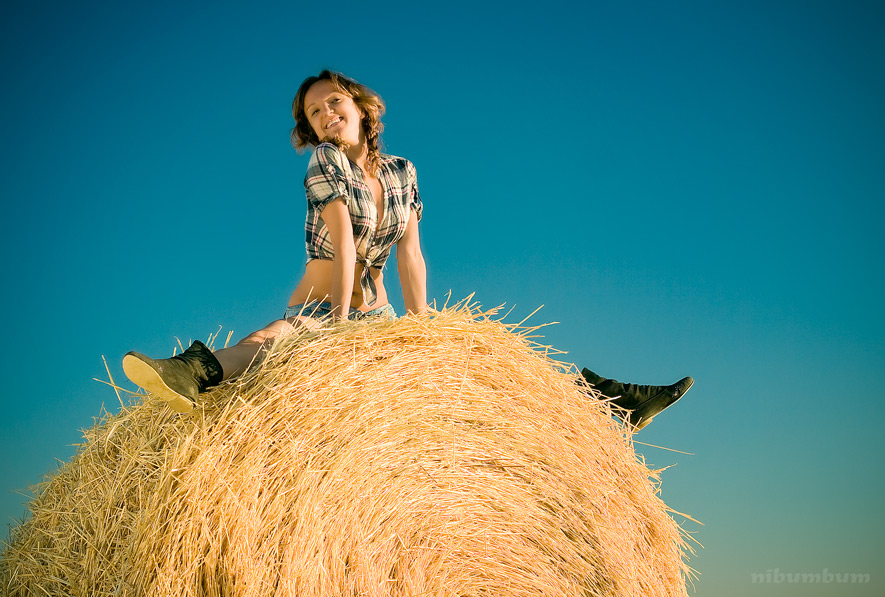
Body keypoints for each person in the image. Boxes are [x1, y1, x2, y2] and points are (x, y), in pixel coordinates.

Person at [121, 70, 692, 430]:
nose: (325, 115)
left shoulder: (402, 172)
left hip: (378, 314)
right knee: (273, 338)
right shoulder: (324, 163)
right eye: (314, 113)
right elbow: (345, 243)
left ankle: (605, 401)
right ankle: (190, 371)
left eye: (333, 102)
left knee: (486, 355)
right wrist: (339, 325)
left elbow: (410, 255)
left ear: (361, 108)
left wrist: (426, 330)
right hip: (324, 308)